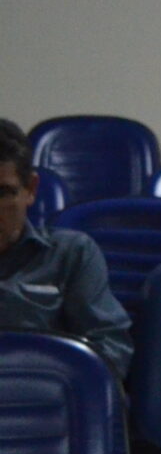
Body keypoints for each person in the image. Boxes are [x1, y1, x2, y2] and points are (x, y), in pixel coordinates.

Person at [0, 119, 132, 377]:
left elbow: (111, 350)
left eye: (2, 193)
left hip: (43, 393)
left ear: (30, 189)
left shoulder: (70, 254)